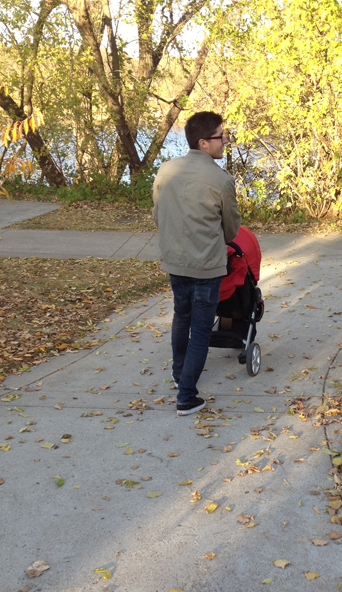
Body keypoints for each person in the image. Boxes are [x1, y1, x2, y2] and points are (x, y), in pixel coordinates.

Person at [152, 111, 241, 416]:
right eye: (220, 136)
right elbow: (231, 229)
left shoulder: (166, 170)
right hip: (206, 266)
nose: (224, 140)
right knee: (201, 329)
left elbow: (158, 215)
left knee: (182, 317)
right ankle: (186, 397)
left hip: (175, 262)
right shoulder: (221, 180)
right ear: (203, 142)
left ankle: (179, 374)